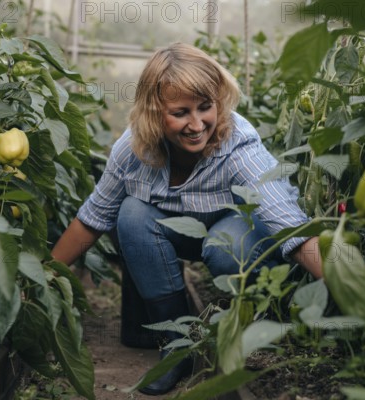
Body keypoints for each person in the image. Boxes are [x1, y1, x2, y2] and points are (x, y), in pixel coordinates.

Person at [51, 42, 322, 395]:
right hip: (181, 233)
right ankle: (177, 342)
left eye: (205, 107)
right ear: (153, 112)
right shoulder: (133, 150)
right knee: (131, 214)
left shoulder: (238, 147)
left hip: (239, 232)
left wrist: (360, 297)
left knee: (225, 249)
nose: (197, 125)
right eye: (180, 113)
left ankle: (255, 324)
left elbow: (292, 229)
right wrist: (44, 275)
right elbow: (92, 218)